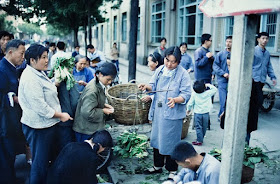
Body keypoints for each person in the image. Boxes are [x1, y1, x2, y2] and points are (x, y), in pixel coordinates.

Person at [18, 44, 72, 184]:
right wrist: (61, 115)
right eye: (43, 57)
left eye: (47, 56)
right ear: (32, 60)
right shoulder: (30, 78)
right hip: (39, 128)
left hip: (46, 125)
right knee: (39, 164)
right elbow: (41, 107)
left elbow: (45, 89)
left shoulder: (38, 72)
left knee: (45, 160)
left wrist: (55, 82)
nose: (47, 60)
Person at [138, 46, 192, 180]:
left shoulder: (183, 74)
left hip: (173, 114)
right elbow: (153, 86)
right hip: (159, 112)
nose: (169, 64)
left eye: (173, 62)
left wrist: (175, 100)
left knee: (171, 142)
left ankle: (172, 169)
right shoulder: (160, 70)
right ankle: (157, 166)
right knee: (157, 139)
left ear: (178, 62)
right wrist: (146, 87)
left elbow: (186, 94)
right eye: (167, 60)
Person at [0, 39, 26, 184]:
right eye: (21, 54)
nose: (23, 58)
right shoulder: (1, 69)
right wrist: (13, 97)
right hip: (4, 120)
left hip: (11, 119)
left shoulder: (11, 67)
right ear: (10, 52)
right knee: (6, 154)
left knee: (10, 155)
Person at [47, 130, 113, 184]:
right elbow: (90, 180)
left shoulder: (71, 145)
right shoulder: (92, 157)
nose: (103, 150)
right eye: (104, 148)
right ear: (99, 145)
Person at [73, 62, 117, 142]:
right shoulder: (93, 90)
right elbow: (87, 112)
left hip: (88, 127)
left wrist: (104, 105)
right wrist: (103, 110)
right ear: (100, 74)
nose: (110, 82)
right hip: (85, 130)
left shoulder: (98, 84)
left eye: (112, 80)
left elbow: (94, 102)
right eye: (108, 79)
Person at [247, 32, 277, 144]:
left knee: (258, 101)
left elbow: (268, 66)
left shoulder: (267, 53)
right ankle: (249, 123)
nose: (265, 40)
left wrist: (272, 76)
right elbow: (249, 65)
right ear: (258, 39)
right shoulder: (254, 51)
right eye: (263, 38)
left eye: (267, 39)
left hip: (261, 81)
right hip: (252, 80)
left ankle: (252, 123)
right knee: (253, 101)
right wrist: (250, 77)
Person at [186, 81, 217, 145]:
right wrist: (207, 84)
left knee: (198, 126)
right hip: (206, 113)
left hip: (197, 113)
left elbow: (190, 103)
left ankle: (199, 140)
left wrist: (188, 109)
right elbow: (215, 89)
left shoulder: (194, 94)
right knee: (204, 126)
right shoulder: (208, 93)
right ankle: (201, 138)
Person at [213, 36, 232, 117]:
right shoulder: (220, 54)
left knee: (231, 100)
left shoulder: (237, 55)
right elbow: (215, 66)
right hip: (222, 80)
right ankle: (221, 116)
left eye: (230, 42)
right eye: (227, 41)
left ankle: (228, 117)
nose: (228, 43)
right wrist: (223, 73)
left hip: (233, 81)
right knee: (223, 100)